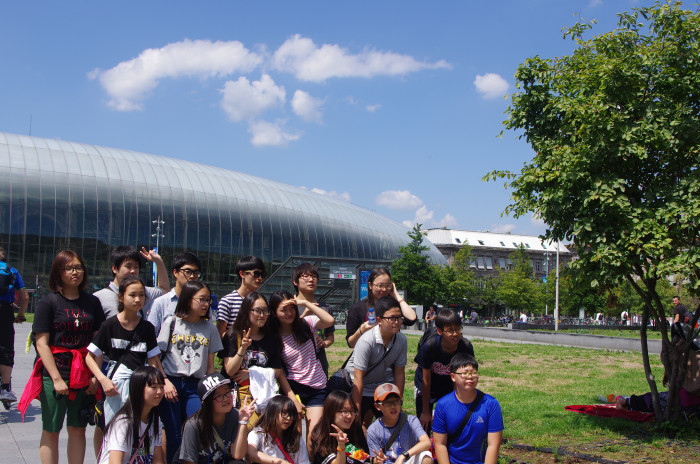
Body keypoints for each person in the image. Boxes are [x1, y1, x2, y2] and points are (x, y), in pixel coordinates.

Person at [19, 250, 106, 464]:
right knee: (51, 429)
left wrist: (95, 377)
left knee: (78, 429)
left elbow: (97, 343)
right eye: (69, 268)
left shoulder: (92, 303)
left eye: (78, 267)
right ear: (58, 272)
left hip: (84, 375)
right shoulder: (49, 302)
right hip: (55, 374)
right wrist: (56, 379)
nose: (75, 272)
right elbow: (42, 343)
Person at [158, 280, 224, 464]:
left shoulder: (210, 328)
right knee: (173, 435)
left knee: (198, 429)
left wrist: (210, 391)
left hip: (196, 385)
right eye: (201, 299)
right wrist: (164, 382)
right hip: (171, 382)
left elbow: (210, 365)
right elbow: (156, 357)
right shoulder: (171, 322)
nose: (205, 304)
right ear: (188, 299)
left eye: (208, 300)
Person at [86, 276, 166, 426]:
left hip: (140, 386)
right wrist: (103, 380)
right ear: (121, 297)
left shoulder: (147, 328)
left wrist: (159, 384)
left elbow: (153, 360)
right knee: (113, 430)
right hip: (115, 387)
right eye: (132, 295)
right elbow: (90, 357)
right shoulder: (109, 325)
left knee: (138, 429)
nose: (138, 300)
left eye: (141, 295)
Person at [269, 290, 335, 450]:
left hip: (317, 388)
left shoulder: (306, 323)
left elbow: (329, 320)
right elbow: (280, 373)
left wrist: (305, 303)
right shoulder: (273, 336)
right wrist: (293, 399)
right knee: (294, 441)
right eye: (283, 309)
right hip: (294, 388)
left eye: (291, 307)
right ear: (274, 313)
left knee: (313, 439)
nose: (289, 313)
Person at [346, 295, 408, 426]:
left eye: (399, 318)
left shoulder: (401, 340)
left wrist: (398, 402)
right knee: (356, 427)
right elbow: (358, 379)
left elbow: (399, 373)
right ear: (379, 320)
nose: (397, 322)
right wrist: (356, 411)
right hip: (358, 387)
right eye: (392, 318)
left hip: (381, 387)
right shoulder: (367, 341)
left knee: (393, 424)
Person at [222, 292, 284, 423]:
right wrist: (243, 348)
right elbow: (230, 370)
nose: (262, 315)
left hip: (263, 396)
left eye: (265, 311)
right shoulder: (233, 335)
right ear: (246, 310)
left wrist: (251, 374)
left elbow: (277, 371)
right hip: (239, 396)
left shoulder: (272, 338)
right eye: (258, 311)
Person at [432, 354, 503, 464]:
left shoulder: (491, 404)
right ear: (452, 377)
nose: (470, 377)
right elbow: (440, 444)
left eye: (473, 373)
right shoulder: (443, 405)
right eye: (464, 373)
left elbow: (493, 445)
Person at [414, 309, 475, 431]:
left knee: (451, 422)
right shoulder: (430, 346)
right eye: (450, 330)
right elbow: (426, 382)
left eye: (458, 329)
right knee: (424, 424)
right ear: (439, 331)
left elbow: (464, 377)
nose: (455, 334)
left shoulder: (465, 347)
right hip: (426, 388)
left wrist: (457, 405)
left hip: (449, 386)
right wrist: (426, 412)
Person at [178, 372, 257, 464]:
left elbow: (238, 455)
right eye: (218, 396)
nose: (226, 398)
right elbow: (189, 462)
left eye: (227, 392)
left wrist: (243, 422)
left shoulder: (235, 415)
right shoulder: (193, 425)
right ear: (205, 403)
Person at [98, 365, 165, 464]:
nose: (159, 392)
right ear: (138, 389)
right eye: (153, 387)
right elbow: (114, 462)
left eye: (162, 387)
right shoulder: (123, 422)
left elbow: (158, 460)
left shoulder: (155, 419)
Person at [346, 268, 416, 349]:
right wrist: (361, 331)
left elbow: (411, 319)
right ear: (370, 285)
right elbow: (351, 344)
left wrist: (396, 295)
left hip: (390, 356)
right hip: (367, 357)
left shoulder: (394, 307)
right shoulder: (357, 308)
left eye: (387, 285)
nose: (384, 289)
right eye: (380, 285)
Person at [94, 246, 169, 320]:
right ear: (114, 268)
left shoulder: (143, 292)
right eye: (128, 266)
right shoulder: (99, 297)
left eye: (136, 267)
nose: (133, 271)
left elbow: (164, 290)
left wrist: (159, 262)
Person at [367, 383, 432, 464]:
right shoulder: (373, 430)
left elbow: (426, 442)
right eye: (387, 402)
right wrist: (378, 460)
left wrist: (403, 456)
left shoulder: (411, 420)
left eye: (396, 401)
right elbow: (375, 459)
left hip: (407, 460)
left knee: (426, 456)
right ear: (377, 406)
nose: (393, 406)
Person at [293, 262, 336, 376]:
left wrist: (325, 343)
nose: (311, 280)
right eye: (305, 276)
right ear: (295, 282)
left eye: (314, 276)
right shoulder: (290, 306)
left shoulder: (325, 307)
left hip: (319, 361)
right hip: (296, 361)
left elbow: (330, 336)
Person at [308, 390, 373, 464]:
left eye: (352, 411)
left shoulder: (355, 429)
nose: (349, 416)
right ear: (331, 412)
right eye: (345, 412)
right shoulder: (320, 434)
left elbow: (363, 460)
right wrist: (341, 446)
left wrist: (376, 461)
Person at [148, 251, 203, 336]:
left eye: (196, 273)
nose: (192, 276)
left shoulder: (202, 304)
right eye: (187, 272)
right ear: (175, 272)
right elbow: (151, 336)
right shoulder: (161, 303)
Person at [0, 246, 29, 403]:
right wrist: (21, 315)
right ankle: (5, 389)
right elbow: (24, 297)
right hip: (4, 311)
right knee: (6, 350)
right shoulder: (12, 271)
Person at [247, 395, 310, 464]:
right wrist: (280, 462)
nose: (288, 418)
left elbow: (304, 461)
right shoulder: (258, 433)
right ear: (272, 412)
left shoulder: (296, 438)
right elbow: (250, 454)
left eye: (291, 414)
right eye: (284, 413)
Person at [217, 256, 267, 339]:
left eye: (263, 275)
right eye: (256, 274)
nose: (260, 278)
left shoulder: (263, 302)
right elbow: (220, 334)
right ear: (242, 274)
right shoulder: (227, 301)